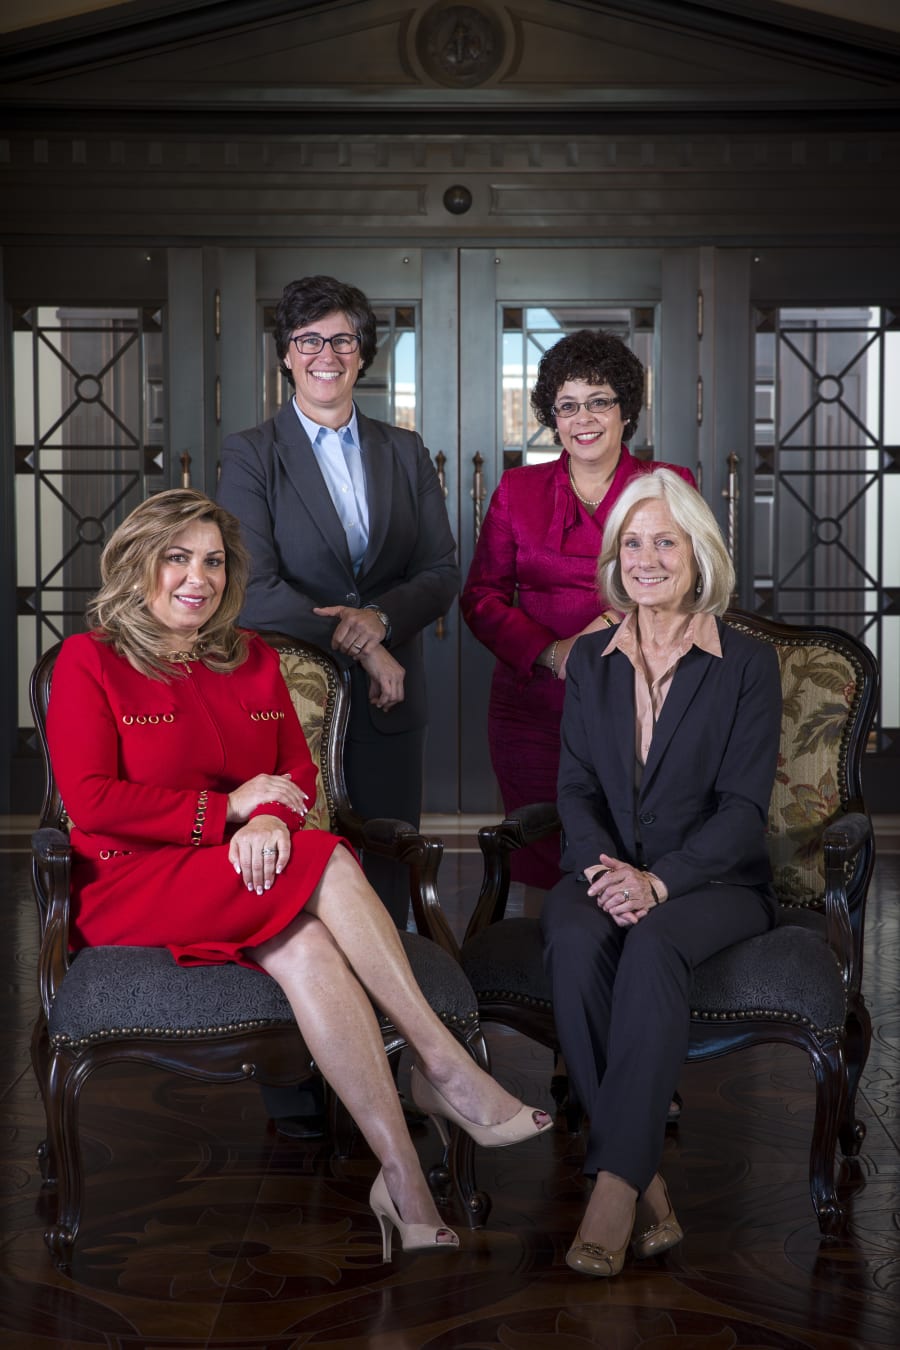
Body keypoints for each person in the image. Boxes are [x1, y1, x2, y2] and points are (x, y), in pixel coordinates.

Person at [45, 489, 552, 1263]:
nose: (198, 576)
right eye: (177, 557)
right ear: (137, 563)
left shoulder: (249, 656)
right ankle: (444, 1065)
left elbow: (292, 766)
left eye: (213, 560)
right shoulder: (93, 659)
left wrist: (275, 819)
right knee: (327, 856)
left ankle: (404, 1181)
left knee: (309, 945)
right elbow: (90, 801)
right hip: (134, 883)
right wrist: (226, 818)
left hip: (243, 868)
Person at [218, 275, 458, 1138]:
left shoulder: (404, 448)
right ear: (286, 356)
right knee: (293, 878)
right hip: (284, 702)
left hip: (393, 706)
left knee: (385, 878)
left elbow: (440, 569)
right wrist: (368, 642)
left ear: (364, 354)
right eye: (309, 341)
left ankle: (394, 1071)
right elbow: (252, 588)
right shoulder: (251, 453)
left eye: (343, 341)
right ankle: (294, 1081)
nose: (326, 356)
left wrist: (383, 618)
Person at [540, 469, 781, 1277]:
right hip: (608, 870)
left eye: (664, 542)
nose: (645, 559)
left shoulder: (746, 663)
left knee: (651, 948)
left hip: (715, 886)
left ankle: (612, 1189)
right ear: (615, 559)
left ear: (697, 553)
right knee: (572, 937)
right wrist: (607, 874)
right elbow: (573, 787)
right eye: (631, 544)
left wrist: (660, 883)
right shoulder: (592, 662)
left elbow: (744, 812)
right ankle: (649, 1188)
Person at [461, 329, 696, 891]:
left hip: (643, 701)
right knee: (548, 860)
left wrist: (610, 625)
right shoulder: (517, 490)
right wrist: (553, 651)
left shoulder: (667, 484)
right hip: (535, 707)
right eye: (567, 405)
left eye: (599, 400)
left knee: (629, 857)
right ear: (552, 415)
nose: (582, 418)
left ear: (625, 408)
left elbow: (692, 582)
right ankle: (553, 977)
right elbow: (481, 597)